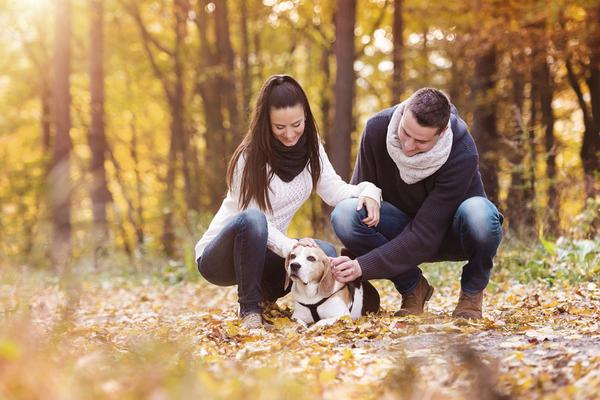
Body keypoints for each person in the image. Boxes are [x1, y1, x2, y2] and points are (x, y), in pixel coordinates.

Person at [195, 75, 382, 329]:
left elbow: (334, 191)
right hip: (221, 256)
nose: (290, 134)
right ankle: (249, 309)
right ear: (265, 123)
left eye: (296, 124)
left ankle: (268, 298)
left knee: (323, 253)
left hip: (267, 251)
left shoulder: (311, 147)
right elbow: (252, 219)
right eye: (279, 127)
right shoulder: (248, 158)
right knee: (253, 220)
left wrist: (369, 190)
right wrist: (291, 245)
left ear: (305, 115)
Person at [329, 88, 503, 319]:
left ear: (441, 134)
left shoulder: (462, 151)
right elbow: (358, 195)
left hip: (453, 232)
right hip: (399, 227)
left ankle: (471, 294)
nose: (408, 147)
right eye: (405, 133)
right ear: (402, 116)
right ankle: (413, 288)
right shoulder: (376, 129)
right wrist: (353, 265)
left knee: (480, 215)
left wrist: (364, 265)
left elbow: (425, 233)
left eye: (421, 141)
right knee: (345, 213)